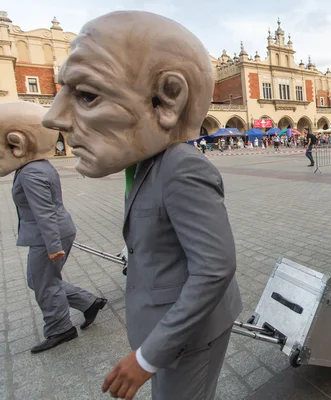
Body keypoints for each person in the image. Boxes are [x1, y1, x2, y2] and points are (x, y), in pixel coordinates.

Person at [42, 11, 243, 400]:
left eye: (86, 95)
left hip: (189, 336)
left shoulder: (181, 166)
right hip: (166, 328)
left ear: (167, 99)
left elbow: (215, 268)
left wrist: (148, 358)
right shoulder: (145, 162)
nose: (53, 118)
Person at [0, 101, 107, 353]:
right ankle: (88, 301)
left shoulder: (30, 173)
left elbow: (44, 212)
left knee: (44, 283)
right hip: (52, 232)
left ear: (18, 143)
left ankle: (60, 328)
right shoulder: (36, 167)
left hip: (48, 235)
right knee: (39, 280)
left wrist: (53, 246)